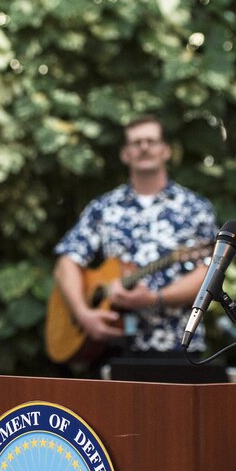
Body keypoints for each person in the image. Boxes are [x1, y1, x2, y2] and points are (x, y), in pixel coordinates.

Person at [53, 116, 219, 361]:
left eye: (151, 141)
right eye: (136, 142)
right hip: (113, 347)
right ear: (125, 154)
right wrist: (83, 313)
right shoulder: (102, 208)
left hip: (178, 346)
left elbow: (210, 272)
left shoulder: (195, 208)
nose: (144, 147)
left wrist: (154, 299)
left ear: (166, 151)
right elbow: (66, 263)